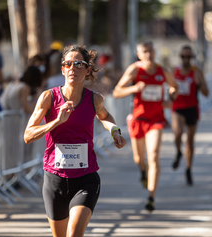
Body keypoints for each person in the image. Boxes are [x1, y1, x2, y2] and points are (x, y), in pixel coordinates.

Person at [24, 45, 127, 237]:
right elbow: (28, 135)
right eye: (68, 64)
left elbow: (105, 117)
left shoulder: (94, 99)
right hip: (55, 180)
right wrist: (56, 121)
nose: (73, 68)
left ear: (88, 70)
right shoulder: (48, 97)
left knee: (74, 235)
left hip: (85, 179)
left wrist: (115, 131)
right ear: (62, 69)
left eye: (79, 64)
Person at [112, 40, 178, 212]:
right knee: (138, 158)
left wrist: (170, 99)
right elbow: (117, 91)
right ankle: (142, 170)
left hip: (156, 120)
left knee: (154, 156)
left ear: (154, 52)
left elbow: (174, 87)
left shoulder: (162, 71)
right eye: (145, 52)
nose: (149, 55)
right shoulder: (135, 70)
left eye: (151, 51)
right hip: (138, 120)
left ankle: (151, 197)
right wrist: (133, 88)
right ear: (139, 55)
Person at [171, 45, 209, 185]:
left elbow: (206, 93)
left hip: (192, 108)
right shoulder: (175, 70)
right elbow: (169, 86)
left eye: (188, 57)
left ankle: (188, 169)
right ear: (180, 57)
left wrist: (200, 84)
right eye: (183, 57)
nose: (186, 59)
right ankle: (178, 152)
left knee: (190, 142)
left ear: (192, 57)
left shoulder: (197, 72)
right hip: (177, 107)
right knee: (178, 132)